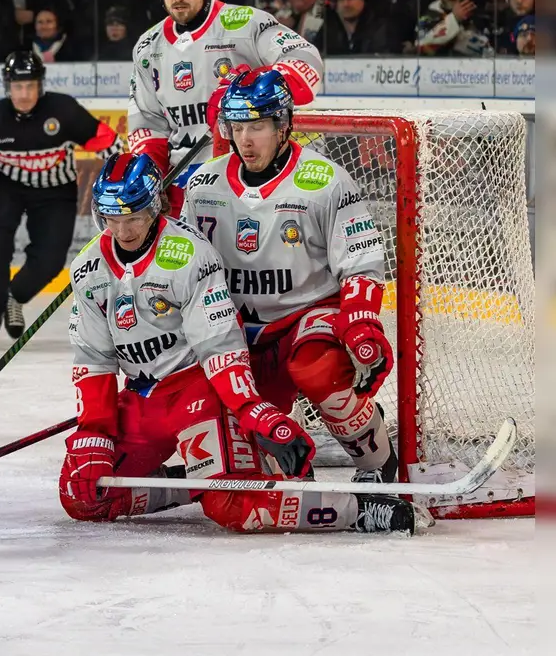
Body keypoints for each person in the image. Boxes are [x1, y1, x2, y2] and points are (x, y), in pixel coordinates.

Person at [58, 153, 419, 533]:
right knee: (84, 497)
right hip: (143, 397)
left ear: (154, 207)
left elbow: (219, 349)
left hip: (195, 393)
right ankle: (191, 483)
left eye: (133, 217)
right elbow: (94, 358)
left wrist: (252, 411)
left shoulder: (190, 255)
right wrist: (92, 432)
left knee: (233, 505)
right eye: (112, 219)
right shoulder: (88, 268)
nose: (123, 231)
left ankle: (357, 509)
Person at [183, 71, 400, 484]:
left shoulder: (323, 181)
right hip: (240, 333)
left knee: (319, 373)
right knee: (261, 462)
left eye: (258, 127)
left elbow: (360, 262)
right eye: (238, 127)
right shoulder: (203, 185)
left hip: (307, 316)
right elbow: (191, 277)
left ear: (283, 126)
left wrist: (361, 323)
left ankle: (377, 464)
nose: (245, 140)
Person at [126, 0, 324, 213]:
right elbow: (147, 124)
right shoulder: (149, 45)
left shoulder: (244, 22)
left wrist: (250, 91)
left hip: (249, 173)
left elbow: (306, 60)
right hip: (183, 183)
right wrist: (151, 181)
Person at [0, 51, 120, 346]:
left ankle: (14, 297)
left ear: (40, 85)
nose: (24, 94)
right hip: (6, 187)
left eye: (30, 86)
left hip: (55, 191)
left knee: (52, 258)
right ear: (8, 87)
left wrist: (127, 175)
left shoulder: (63, 109)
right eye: (18, 87)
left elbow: (108, 143)